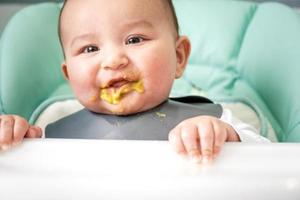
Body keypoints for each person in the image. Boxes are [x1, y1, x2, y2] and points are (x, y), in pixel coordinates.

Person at [0, 0, 269, 163]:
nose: (114, 60)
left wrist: (226, 138)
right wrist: (17, 141)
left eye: (134, 40)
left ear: (179, 57)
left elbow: (271, 162)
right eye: (90, 49)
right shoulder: (50, 131)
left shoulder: (216, 119)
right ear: (69, 75)